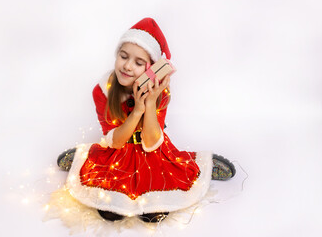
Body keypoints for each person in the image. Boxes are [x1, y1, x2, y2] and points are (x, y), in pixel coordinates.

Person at [57, 17, 235, 223]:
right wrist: (136, 111)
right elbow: (115, 142)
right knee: (109, 208)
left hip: (152, 151)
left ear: (151, 68)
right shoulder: (101, 91)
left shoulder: (161, 92)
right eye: (123, 57)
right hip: (118, 150)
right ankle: (82, 157)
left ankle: (204, 164)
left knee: (157, 203)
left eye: (138, 62)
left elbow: (151, 143)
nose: (128, 67)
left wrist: (149, 104)